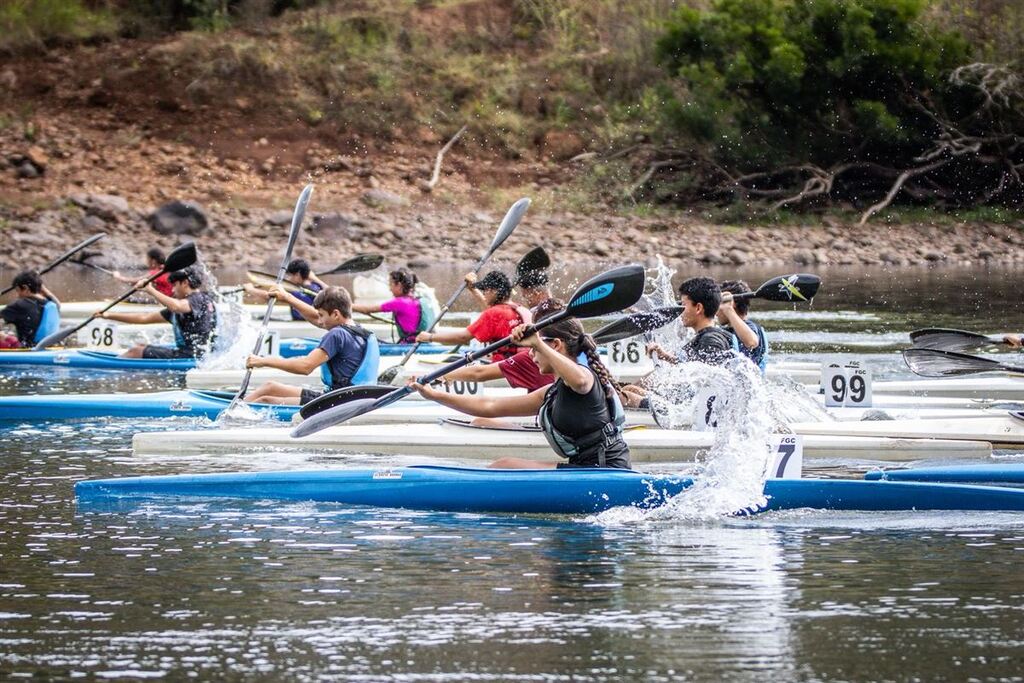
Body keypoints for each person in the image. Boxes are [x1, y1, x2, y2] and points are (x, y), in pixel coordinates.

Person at [410, 317, 630, 469]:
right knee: (504, 464)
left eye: (533, 349)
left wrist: (538, 344)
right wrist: (434, 396)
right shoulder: (550, 393)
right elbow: (490, 406)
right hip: (585, 468)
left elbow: (580, 382)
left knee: (503, 466)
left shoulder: (584, 377)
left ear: (555, 345)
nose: (532, 355)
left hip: (606, 469)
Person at [244, 285, 379, 405]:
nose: (319, 321)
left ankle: (237, 411)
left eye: (321, 315)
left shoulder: (337, 334)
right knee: (270, 387)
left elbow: (305, 367)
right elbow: (315, 317)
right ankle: (238, 405)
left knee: (265, 400)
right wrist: (287, 298)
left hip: (338, 403)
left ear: (335, 314)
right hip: (349, 397)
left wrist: (263, 361)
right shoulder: (358, 330)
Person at [98, 266, 216, 359]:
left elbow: (176, 306)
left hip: (193, 355)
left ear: (185, 283)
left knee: (136, 351)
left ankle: (109, 366)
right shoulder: (184, 307)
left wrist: (150, 290)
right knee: (140, 346)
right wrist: (107, 315)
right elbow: (144, 318)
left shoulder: (199, 299)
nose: (173, 290)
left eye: (174, 285)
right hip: (191, 352)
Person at [416, 270, 523, 362]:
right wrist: (472, 288)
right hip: (515, 362)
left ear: (494, 291)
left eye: (485, 290)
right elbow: (492, 310)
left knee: (454, 371)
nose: (484, 293)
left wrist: (429, 337)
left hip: (501, 366)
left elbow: (462, 337)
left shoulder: (493, 313)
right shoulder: (517, 308)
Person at [647, 276, 733, 365]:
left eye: (683, 304)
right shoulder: (706, 337)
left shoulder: (710, 340)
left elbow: (706, 372)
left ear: (698, 308)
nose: (680, 311)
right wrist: (665, 356)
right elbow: (691, 365)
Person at [351, 268, 421, 343]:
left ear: (399, 285)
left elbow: (367, 309)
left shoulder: (399, 302)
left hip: (408, 344)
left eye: (391, 285)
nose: (390, 289)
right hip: (419, 342)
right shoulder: (418, 299)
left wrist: (347, 305)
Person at [244, 258, 324, 321]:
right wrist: (315, 278)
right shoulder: (317, 286)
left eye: (289, 275)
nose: (287, 279)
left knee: (260, 318)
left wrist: (251, 289)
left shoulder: (295, 292)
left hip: (301, 323)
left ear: (297, 275)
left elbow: (268, 296)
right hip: (309, 320)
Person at [716, 279, 769, 372]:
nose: (716, 312)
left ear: (732, 304)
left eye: (718, 304)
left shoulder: (750, 327)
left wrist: (728, 309)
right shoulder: (726, 331)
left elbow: (752, 342)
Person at [0, 271, 61, 348]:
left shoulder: (19, 305)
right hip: (52, 349)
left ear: (25, 288)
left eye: (18, 290)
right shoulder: (53, 305)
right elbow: (56, 301)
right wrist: (38, 285)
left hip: (27, 351)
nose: (18, 295)